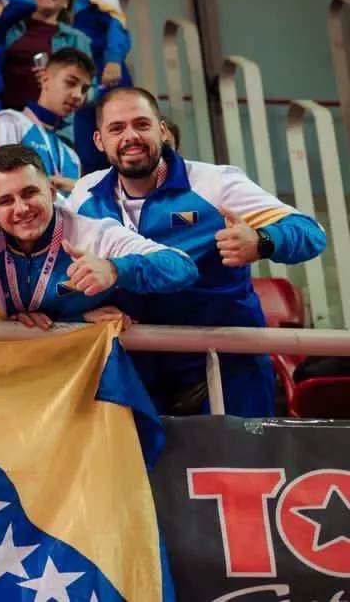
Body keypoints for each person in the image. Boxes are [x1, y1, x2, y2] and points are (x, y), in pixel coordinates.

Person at [69, 88, 327, 417]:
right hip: (134, 375)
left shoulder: (214, 183)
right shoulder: (85, 194)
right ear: (99, 140)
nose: (130, 136)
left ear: (162, 130)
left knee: (235, 454)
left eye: (141, 124)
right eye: (116, 128)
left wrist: (262, 240)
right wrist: (78, 315)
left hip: (225, 369)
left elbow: (311, 233)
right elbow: (61, 271)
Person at [0, 144, 197, 328]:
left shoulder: (94, 235)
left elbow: (182, 266)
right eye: (6, 201)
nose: (21, 209)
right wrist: (72, 320)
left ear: (52, 192)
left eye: (30, 193)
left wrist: (115, 269)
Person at [40, 0, 133, 172]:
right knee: (84, 151)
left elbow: (117, 25)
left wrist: (113, 60)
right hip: (68, 79)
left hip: (104, 71)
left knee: (120, 140)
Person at [0, 47, 95, 194]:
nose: (78, 95)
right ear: (45, 79)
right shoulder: (10, 122)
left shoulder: (72, 157)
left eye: (84, 90)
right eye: (70, 83)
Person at [1, 0, 93, 112]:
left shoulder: (77, 39)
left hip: (53, 121)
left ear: (67, 1)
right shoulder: (8, 28)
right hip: (4, 117)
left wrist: (61, 79)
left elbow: (91, 92)